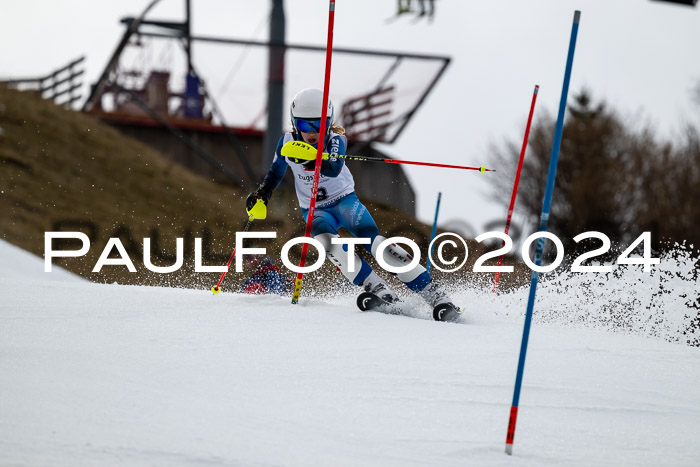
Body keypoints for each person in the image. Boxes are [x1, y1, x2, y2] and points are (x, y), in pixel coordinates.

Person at [245, 88, 461, 322]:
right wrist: (262, 194)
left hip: (344, 202)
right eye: (306, 126)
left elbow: (334, 167)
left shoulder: (336, 139)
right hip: (315, 210)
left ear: (328, 123)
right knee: (331, 247)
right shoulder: (286, 142)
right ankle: (378, 289)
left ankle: (435, 295)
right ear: (295, 124)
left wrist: (312, 158)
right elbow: (275, 172)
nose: (312, 133)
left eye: (319, 125)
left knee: (377, 245)